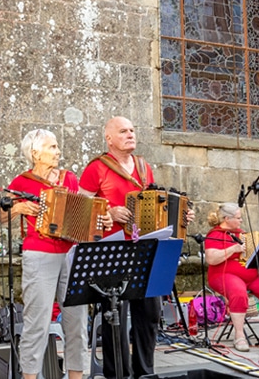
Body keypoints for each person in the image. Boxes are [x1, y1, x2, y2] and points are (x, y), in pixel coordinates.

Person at [79, 116, 194, 378]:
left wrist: (178, 215)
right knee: (114, 317)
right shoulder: (97, 168)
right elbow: (80, 207)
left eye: (132, 129)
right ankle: (117, 374)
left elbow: (153, 206)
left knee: (150, 314)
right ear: (109, 138)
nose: (130, 134)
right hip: (113, 250)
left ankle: (145, 372)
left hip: (145, 248)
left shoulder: (143, 167)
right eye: (123, 131)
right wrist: (108, 209)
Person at [5, 129, 111, 379]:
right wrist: (18, 207)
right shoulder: (21, 182)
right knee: (37, 323)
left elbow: (82, 214)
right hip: (39, 254)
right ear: (35, 153)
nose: (58, 151)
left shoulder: (69, 179)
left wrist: (101, 219)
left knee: (76, 322)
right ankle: (30, 376)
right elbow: (1, 215)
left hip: (71, 253)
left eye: (56, 147)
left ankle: (76, 376)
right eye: (52, 147)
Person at [204, 203, 259, 352]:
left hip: (252, 276)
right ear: (227, 218)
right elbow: (211, 259)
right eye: (238, 218)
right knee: (238, 292)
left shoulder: (242, 234)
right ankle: (239, 335)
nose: (241, 221)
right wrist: (233, 248)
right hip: (223, 275)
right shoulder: (215, 235)